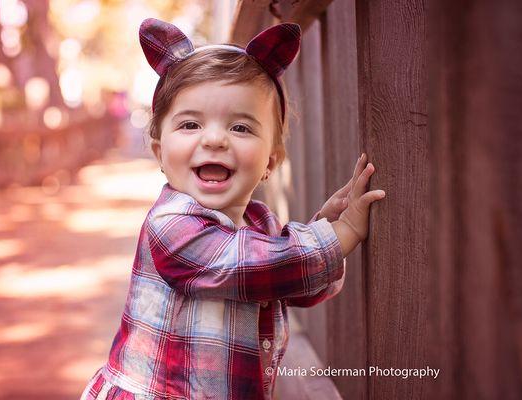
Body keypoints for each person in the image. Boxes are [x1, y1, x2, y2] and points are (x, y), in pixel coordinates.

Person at [80, 18, 386, 400]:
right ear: (160, 152)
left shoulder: (261, 227)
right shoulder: (171, 225)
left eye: (240, 128)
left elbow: (295, 282)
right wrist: (337, 237)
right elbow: (242, 264)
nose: (214, 139)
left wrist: (326, 225)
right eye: (190, 124)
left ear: (270, 162)